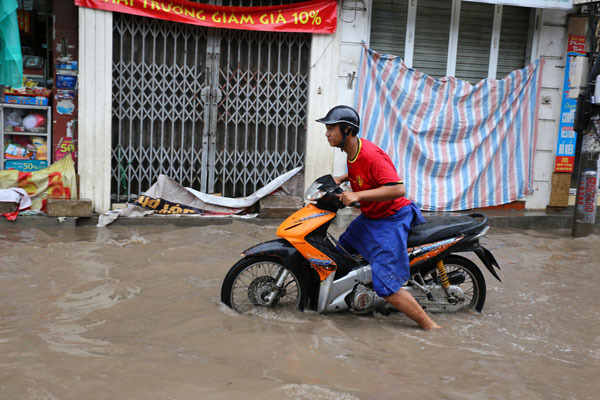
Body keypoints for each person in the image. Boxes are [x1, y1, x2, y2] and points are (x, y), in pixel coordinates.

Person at [316, 105, 441, 331]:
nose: (327, 134)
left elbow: (397, 189)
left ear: (347, 130)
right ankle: (360, 298)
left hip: (391, 219)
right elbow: (362, 173)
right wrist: (342, 178)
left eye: (331, 128)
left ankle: (430, 326)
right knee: (342, 251)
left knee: (386, 286)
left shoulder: (369, 154)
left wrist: (357, 194)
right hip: (372, 216)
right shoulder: (351, 152)